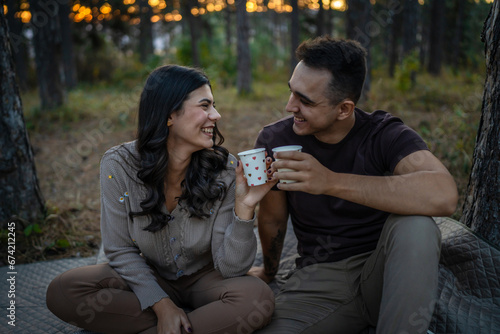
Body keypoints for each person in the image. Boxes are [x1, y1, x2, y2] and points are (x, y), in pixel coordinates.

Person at [249, 36, 458, 334]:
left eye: (305, 101)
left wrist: (330, 182)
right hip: (320, 280)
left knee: (417, 225)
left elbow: (444, 194)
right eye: (291, 92)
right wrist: (268, 272)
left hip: (386, 273)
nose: (289, 106)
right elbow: (272, 219)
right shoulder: (275, 140)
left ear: (344, 109)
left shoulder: (384, 134)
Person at [46, 65, 276, 334]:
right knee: (63, 291)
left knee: (257, 298)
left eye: (214, 106)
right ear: (169, 115)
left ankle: (166, 327)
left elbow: (231, 268)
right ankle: (182, 323)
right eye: (205, 106)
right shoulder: (118, 165)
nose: (216, 115)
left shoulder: (225, 170)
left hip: (206, 278)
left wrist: (245, 207)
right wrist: (162, 304)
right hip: (148, 276)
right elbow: (119, 250)